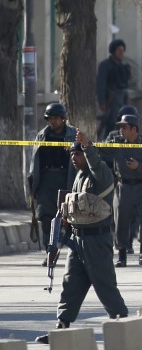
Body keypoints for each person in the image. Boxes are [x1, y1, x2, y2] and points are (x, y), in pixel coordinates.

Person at [35, 130, 129, 344]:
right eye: (72, 155)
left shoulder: (101, 174)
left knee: (105, 285)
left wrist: (87, 146)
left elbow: (95, 162)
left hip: (97, 240)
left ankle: (122, 325)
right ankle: (62, 327)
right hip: (77, 240)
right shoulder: (79, 177)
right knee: (70, 284)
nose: (73, 159)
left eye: (77, 155)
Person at [105, 114, 142, 267]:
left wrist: (139, 167)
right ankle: (122, 256)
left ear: (134, 129)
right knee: (121, 221)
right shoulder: (116, 143)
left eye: (124, 127)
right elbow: (100, 151)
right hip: (123, 187)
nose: (121, 130)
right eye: (120, 127)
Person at [28, 103, 78, 265]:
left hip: (67, 179)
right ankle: (51, 251)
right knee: (45, 217)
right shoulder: (42, 135)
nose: (53, 122)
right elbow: (35, 162)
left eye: (56, 118)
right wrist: (33, 186)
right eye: (50, 118)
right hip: (46, 181)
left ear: (63, 119)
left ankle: (73, 252)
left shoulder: (73, 135)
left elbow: (84, 158)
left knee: (70, 219)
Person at [96, 39, 131, 140]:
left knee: (122, 122)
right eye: (119, 50)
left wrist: (127, 98)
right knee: (111, 122)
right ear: (113, 51)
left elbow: (125, 84)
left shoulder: (124, 66)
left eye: (123, 50)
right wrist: (102, 101)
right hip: (111, 98)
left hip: (122, 98)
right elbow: (101, 84)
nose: (121, 53)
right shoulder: (105, 65)